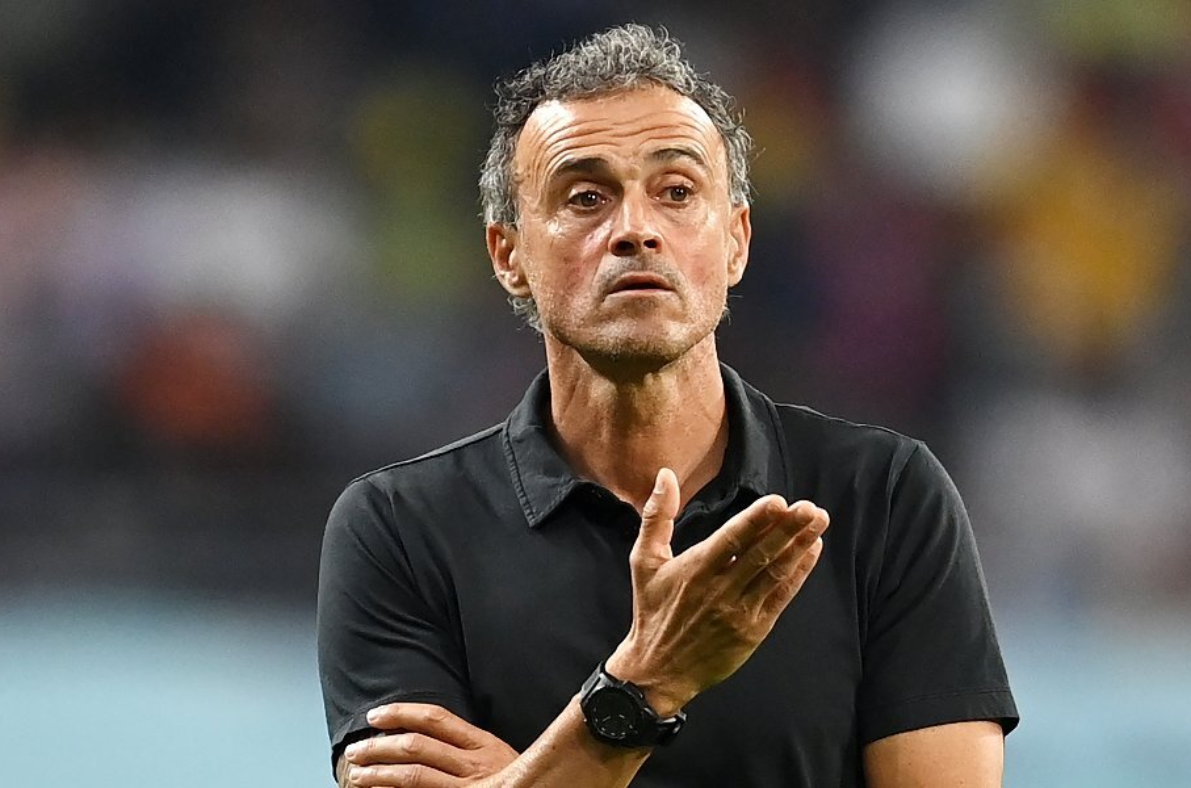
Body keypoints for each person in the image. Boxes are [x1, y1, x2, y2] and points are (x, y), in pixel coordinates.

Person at [318, 23, 1018, 788]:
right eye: (586, 197)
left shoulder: (883, 498)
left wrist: (532, 773)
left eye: (677, 193)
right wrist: (649, 683)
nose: (635, 230)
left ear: (736, 242)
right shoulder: (400, 531)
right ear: (508, 255)